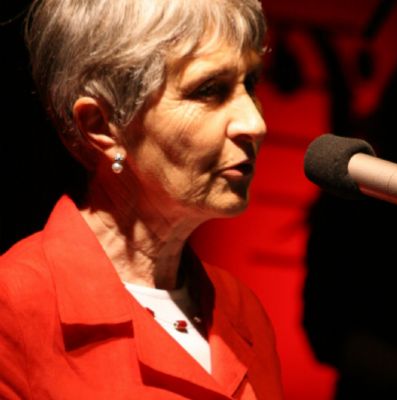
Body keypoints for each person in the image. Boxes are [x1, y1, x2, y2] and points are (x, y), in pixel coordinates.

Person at [0, 0, 283, 399]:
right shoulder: (14, 307)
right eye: (209, 90)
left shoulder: (242, 311)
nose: (255, 123)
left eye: (249, 84)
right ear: (102, 125)